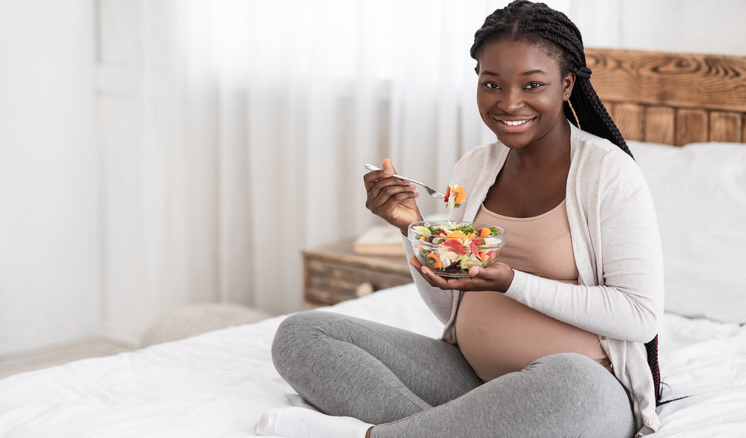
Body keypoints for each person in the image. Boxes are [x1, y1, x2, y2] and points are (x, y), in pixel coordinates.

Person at [256, 1, 664, 437]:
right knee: (303, 334)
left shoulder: (609, 174)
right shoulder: (474, 168)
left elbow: (639, 316)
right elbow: (450, 301)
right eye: (492, 83)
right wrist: (412, 228)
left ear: (565, 85)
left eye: (532, 85)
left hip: (577, 389)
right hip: (469, 378)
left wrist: (512, 281)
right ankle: (443, 428)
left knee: (571, 382)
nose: (509, 103)